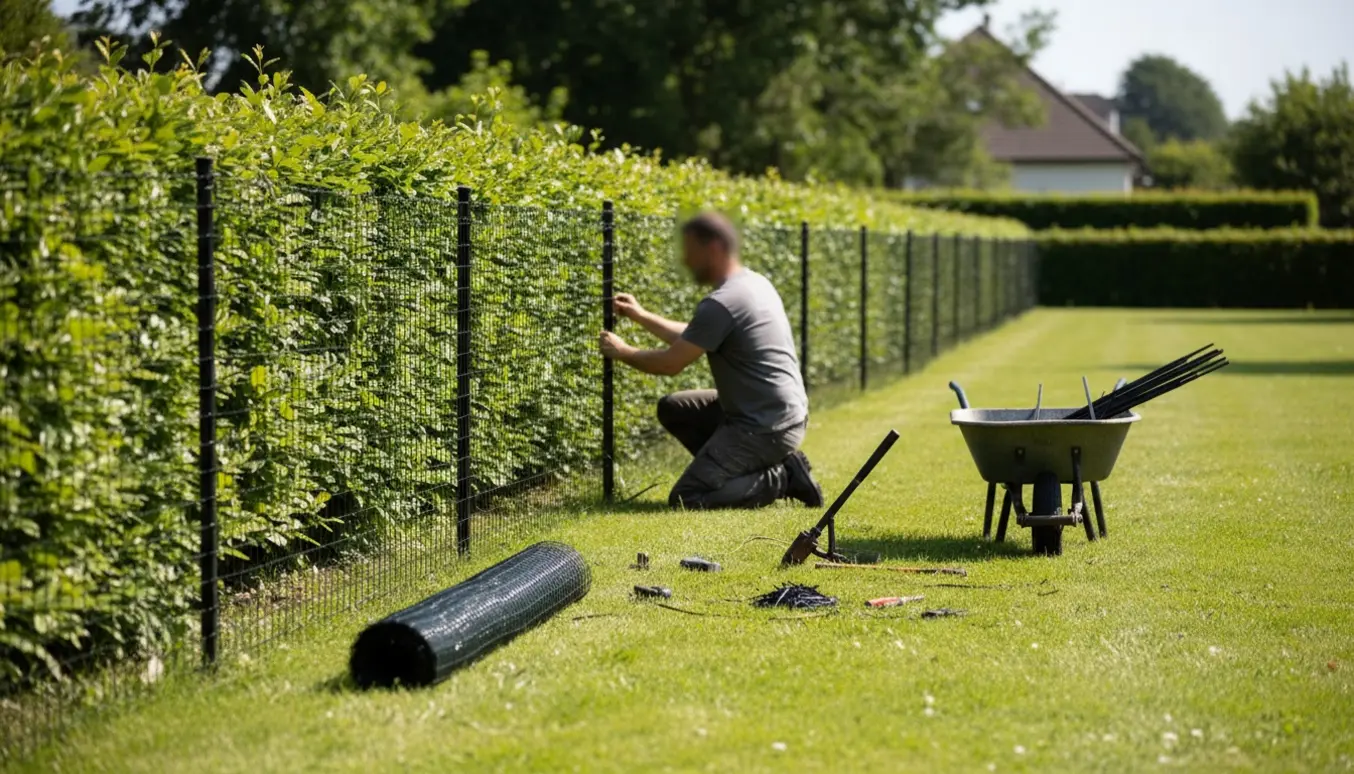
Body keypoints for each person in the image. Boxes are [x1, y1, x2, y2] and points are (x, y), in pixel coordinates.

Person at [597, 211, 823, 510]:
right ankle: (732, 470)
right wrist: (641, 316)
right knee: (674, 408)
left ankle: (782, 478)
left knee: (687, 497)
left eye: (690, 251)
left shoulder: (723, 302)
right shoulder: (754, 284)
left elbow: (670, 364)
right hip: (779, 413)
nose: (686, 261)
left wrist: (622, 351)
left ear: (713, 247)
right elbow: (696, 337)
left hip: (765, 426)